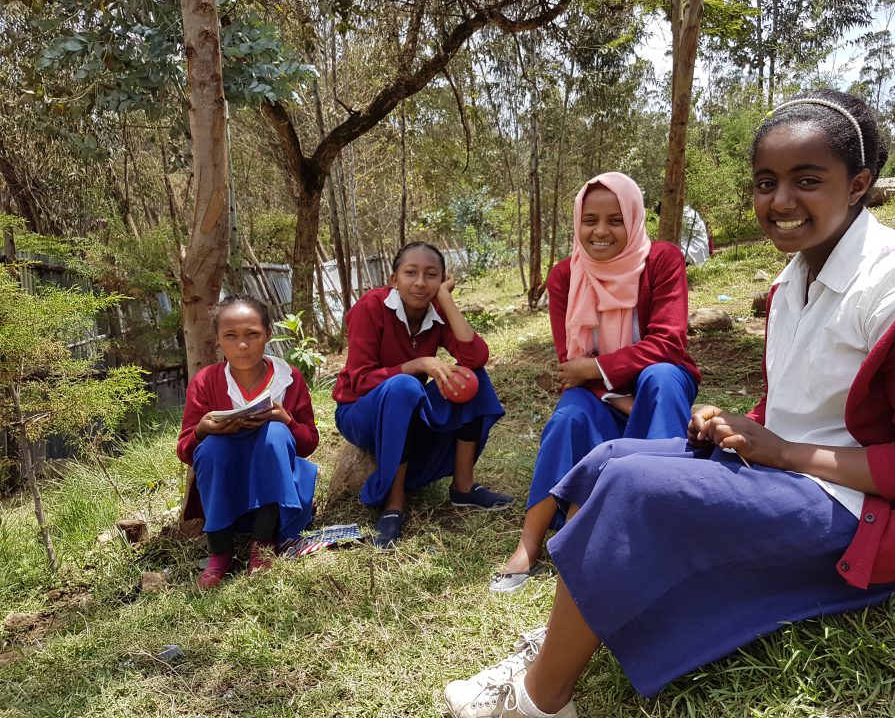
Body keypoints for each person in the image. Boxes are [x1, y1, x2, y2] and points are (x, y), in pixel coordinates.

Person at [444, 89, 895, 717]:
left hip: (873, 514)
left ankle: (540, 700)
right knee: (608, 459)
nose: (781, 201)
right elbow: (806, 406)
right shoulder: (794, 279)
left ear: (858, 184)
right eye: (766, 182)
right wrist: (744, 426)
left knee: (634, 487)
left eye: (807, 180)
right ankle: (556, 642)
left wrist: (782, 449)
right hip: (803, 475)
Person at [491, 171, 701, 593]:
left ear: (634, 218)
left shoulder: (661, 259)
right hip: (594, 392)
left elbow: (669, 343)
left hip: (657, 384)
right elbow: (573, 367)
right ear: (577, 223)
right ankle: (530, 544)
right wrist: (610, 392)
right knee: (568, 417)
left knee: (660, 378)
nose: (601, 232)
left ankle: (660, 521)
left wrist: (600, 369)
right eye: (590, 220)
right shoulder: (565, 276)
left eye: (615, 219)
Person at [334, 241, 509, 549]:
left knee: (471, 378)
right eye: (410, 272)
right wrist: (416, 364)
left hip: (407, 407)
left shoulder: (437, 310)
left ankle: (464, 487)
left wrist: (445, 300)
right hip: (360, 411)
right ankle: (393, 504)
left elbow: (477, 356)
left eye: (431, 275)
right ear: (394, 280)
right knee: (405, 385)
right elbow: (359, 381)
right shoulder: (371, 307)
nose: (420, 282)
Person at [177, 294, 319, 591]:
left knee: (276, 434)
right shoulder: (206, 381)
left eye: (252, 334)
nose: (242, 345)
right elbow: (186, 450)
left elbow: (308, 443)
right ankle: (220, 551)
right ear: (218, 340)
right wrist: (202, 430)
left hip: (274, 496)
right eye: (231, 336)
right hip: (230, 494)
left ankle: (262, 543)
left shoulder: (288, 379)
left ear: (267, 334)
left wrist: (287, 421)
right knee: (212, 447)